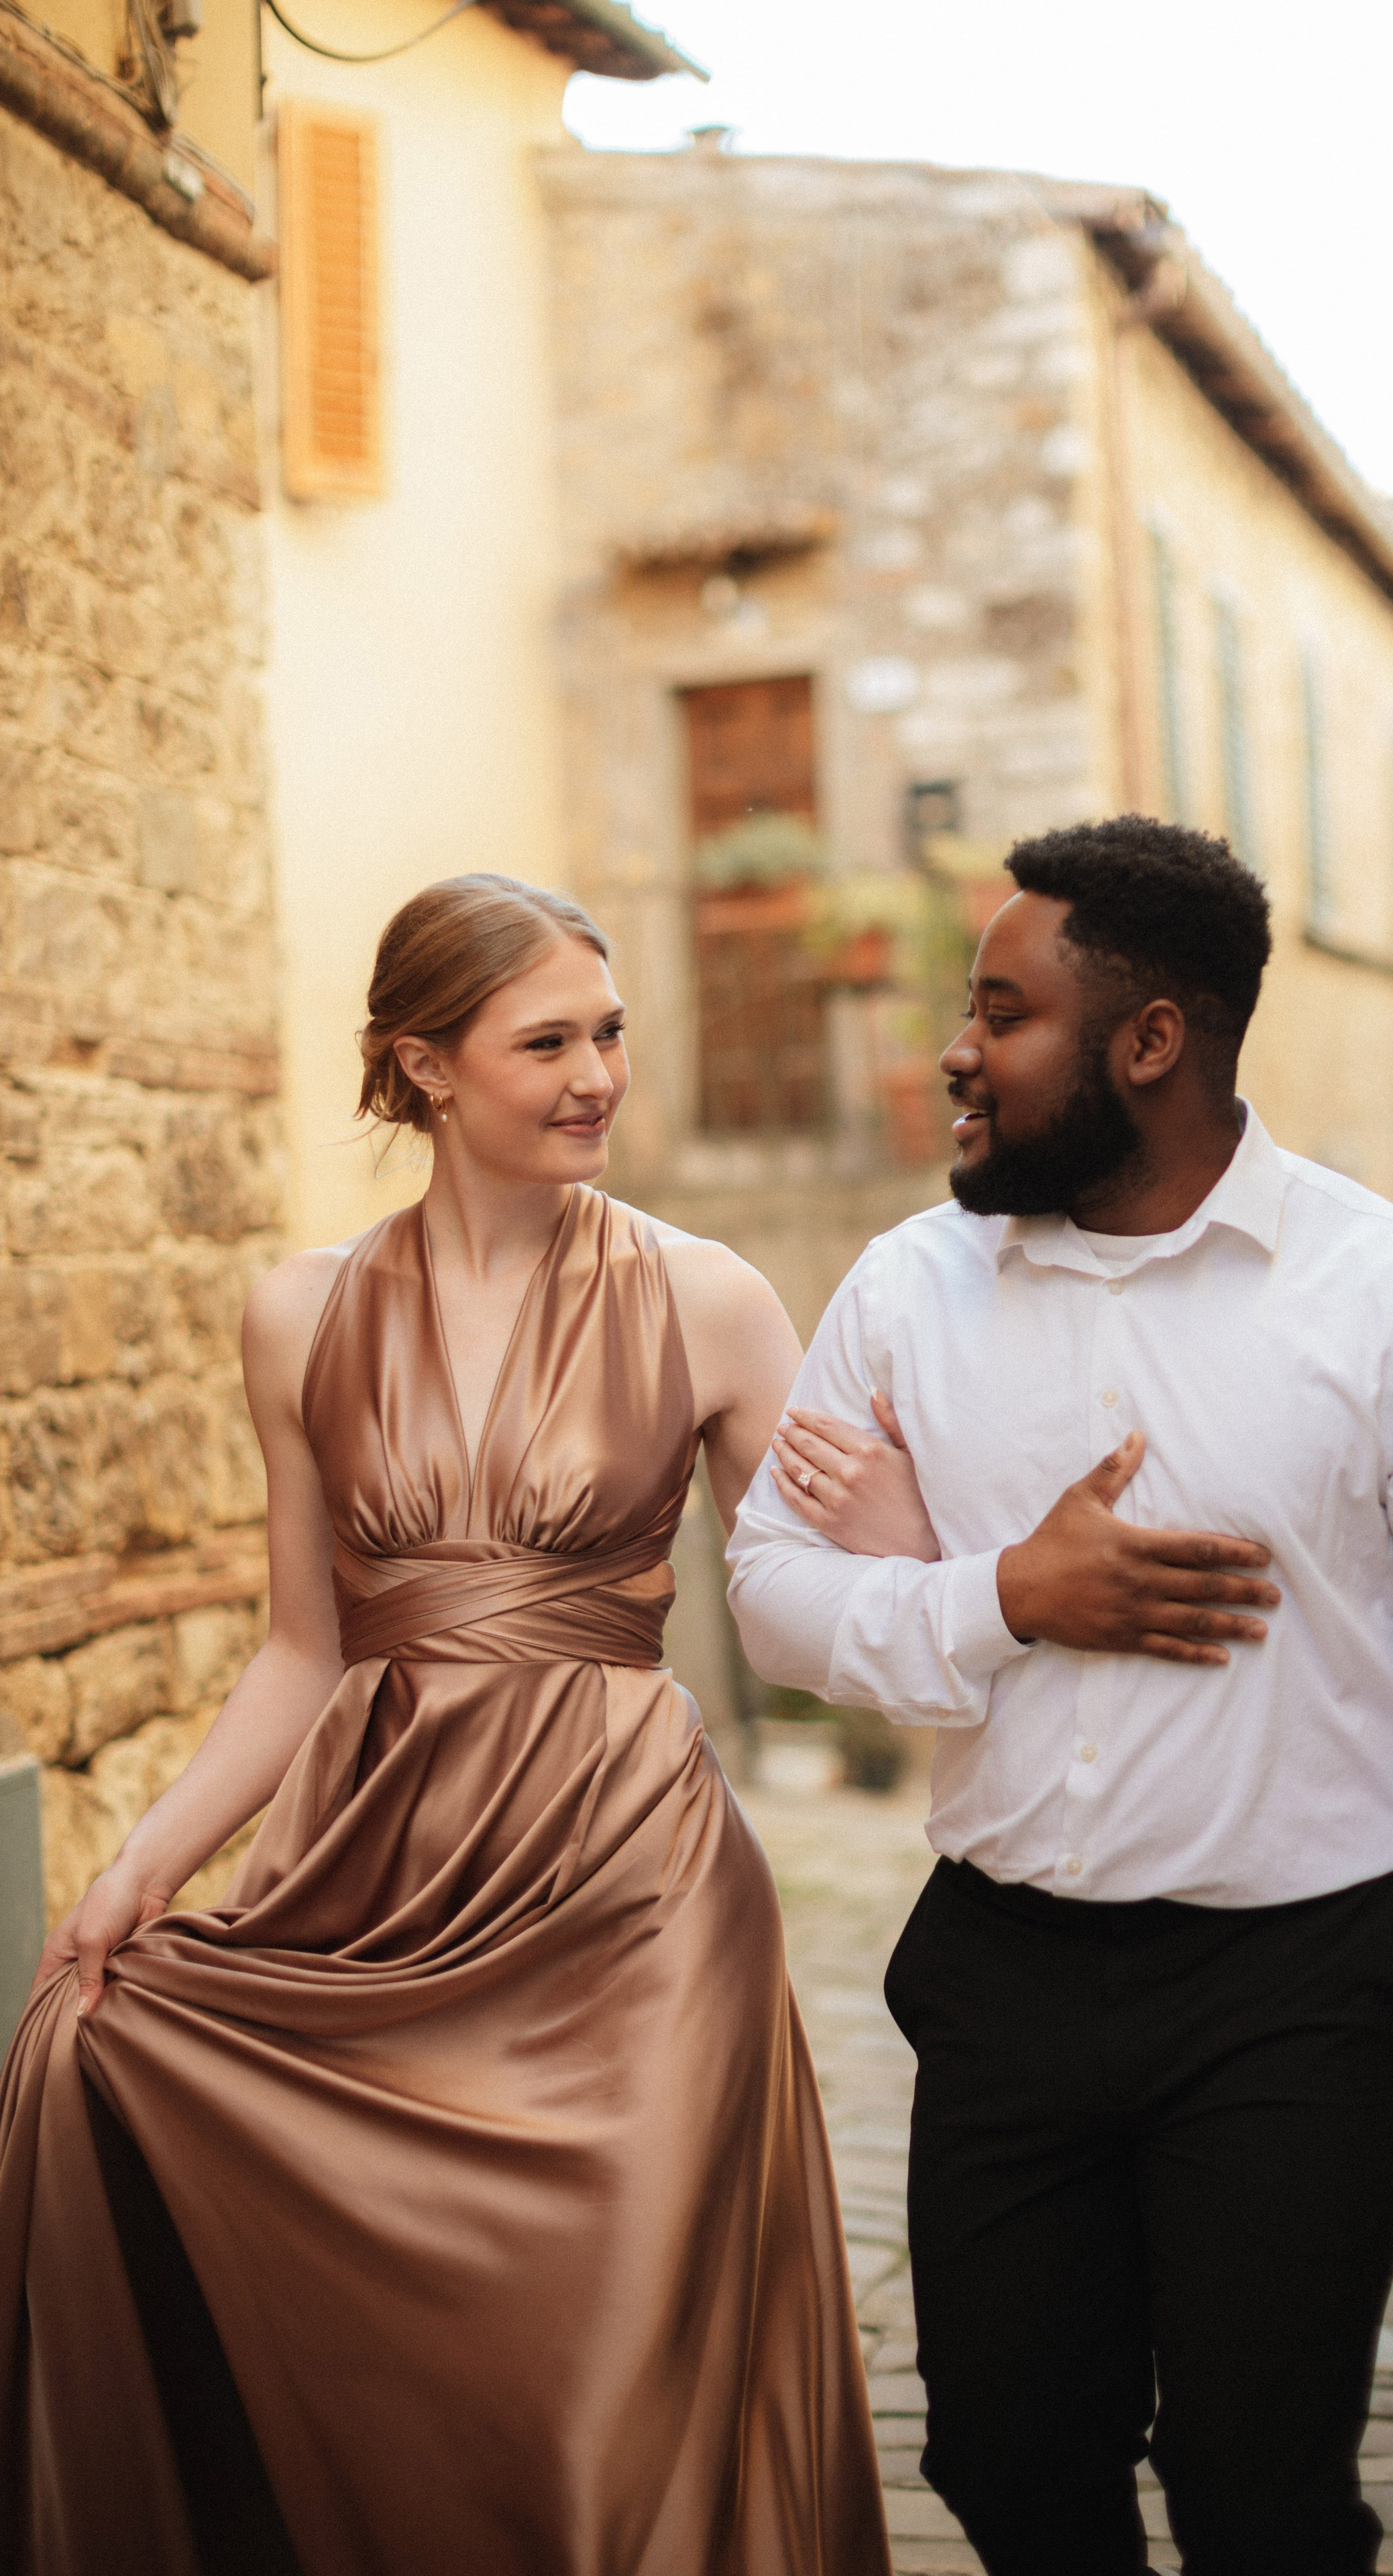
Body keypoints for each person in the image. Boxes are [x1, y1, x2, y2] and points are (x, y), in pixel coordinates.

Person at [728, 816, 1393, 2576]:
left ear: (1153, 1040)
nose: (956, 1050)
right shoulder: (909, 1289)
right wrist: (1003, 1600)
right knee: (1000, 2458)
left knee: (1262, 2496)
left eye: (1005, 1011)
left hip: (1290, 1986)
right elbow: (768, 1592)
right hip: (1001, 1973)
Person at [0, 873, 895, 2576]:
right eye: (545, 1041)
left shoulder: (708, 1297)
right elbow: (298, 1653)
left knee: (613, 2378)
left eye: (610, 1034)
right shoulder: (300, 1315)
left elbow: (825, 1609)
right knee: (405, 2364)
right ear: (421, 1067)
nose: (598, 1078)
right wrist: (141, 1870)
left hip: (631, 1893)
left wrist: (903, 1498)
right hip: (381, 1870)